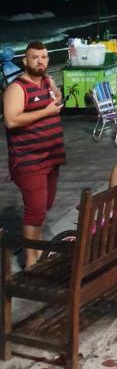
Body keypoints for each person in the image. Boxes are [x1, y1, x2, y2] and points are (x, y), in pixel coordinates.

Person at [2, 42, 66, 267]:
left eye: (44, 57)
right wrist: (46, 111)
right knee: (35, 209)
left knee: (44, 205)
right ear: (25, 61)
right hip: (28, 160)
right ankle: (31, 260)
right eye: (35, 57)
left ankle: (36, 244)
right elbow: (11, 120)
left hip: (52, 156)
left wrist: (55, 96)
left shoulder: (48, 81)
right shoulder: (16, 88)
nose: (40, 61)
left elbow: (56, 97)